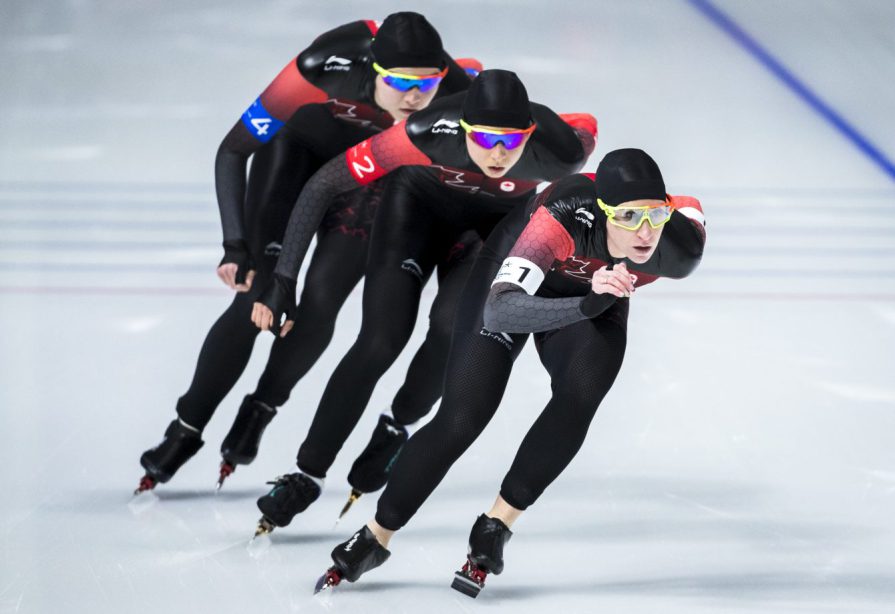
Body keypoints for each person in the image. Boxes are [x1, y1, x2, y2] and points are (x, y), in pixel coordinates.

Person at [316, 148, 707, 596]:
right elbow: (500, 311)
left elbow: (688, 208)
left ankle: (496, 526)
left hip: (599, 294)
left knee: (582, 391)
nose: (644, 232)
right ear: (601, 212)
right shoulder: (561, 218)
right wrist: (587, 302)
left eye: (655, 215)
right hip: (518, 287)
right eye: (629, 216)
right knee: (464, 416)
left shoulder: (680, 248)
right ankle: (375, 536)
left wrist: (597, 298)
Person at [135, 12, 477, 494]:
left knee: (319, 301)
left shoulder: (456, 91)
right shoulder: (320, 67)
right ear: (373, 70)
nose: (415, 96)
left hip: (368, 175)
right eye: (400, 81)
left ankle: (262, 407)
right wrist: (236, 244)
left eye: (428, 82)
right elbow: (233, 150)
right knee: (255, 296)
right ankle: (187, 428)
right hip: (295, 156)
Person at [249, 69, 597, 534]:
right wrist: (284, 277)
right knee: (380, 339)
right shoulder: (420, 133)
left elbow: (586, 128)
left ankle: (397, 426)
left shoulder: (562, 151)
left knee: (452, 327)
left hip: (490, 231)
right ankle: (308, 472)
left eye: (512, 142)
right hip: (414, 211)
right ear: (462, 129)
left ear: (531, 135)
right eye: (486, 139)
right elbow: (322, 185)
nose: (498, 154)